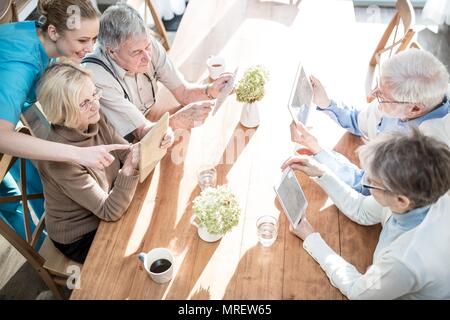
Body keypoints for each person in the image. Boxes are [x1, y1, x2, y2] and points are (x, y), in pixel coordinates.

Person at [0, 0, 129, 243]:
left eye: (93, 38)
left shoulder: (42, 37)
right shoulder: (21, 66)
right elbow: (2, 137)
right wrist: (74, 153)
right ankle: (45, 248)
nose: (90, 48)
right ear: (53, 32)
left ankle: (53, 229)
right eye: (82, 41)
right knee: (11, 195)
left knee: (43, 173)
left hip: (13, 109)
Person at [281, 129, 450, 299]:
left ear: (401, 201)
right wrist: (321, 172)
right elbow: (361, 210)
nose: (365, 182)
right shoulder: (421, 195)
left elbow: (357, 292)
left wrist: (310, 237)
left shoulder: (403, 261)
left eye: (371, 182)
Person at [36, 62, 173, 263]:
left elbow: (125, 153)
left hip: (107, 202)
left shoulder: (94, 119)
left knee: (159, 219)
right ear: (62, 111)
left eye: (94, 94)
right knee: (139, 254)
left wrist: (157, 139)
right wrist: (127, 170)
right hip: (81, 235)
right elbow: (110, 211)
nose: (95, 104)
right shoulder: (60, 160)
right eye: (83, 103)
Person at [290, 49, 450, 195]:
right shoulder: (404, 102)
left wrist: (318, 151)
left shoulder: (424, 154)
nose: (373, 94)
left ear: (415, 109)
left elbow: (366, 187)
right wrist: (326, 103)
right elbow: (362, 121)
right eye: (377, 86)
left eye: (381, 96)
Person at [83, 3, 234, 142]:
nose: (147, 57)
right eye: (136, 53)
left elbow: (184, 92)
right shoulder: (97, 77)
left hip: (151, 121)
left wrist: (210, 90)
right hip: (120, 145)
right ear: (111, 51)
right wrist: (178, 120)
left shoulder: (145, 44)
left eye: (147, 47)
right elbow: (141, 133)